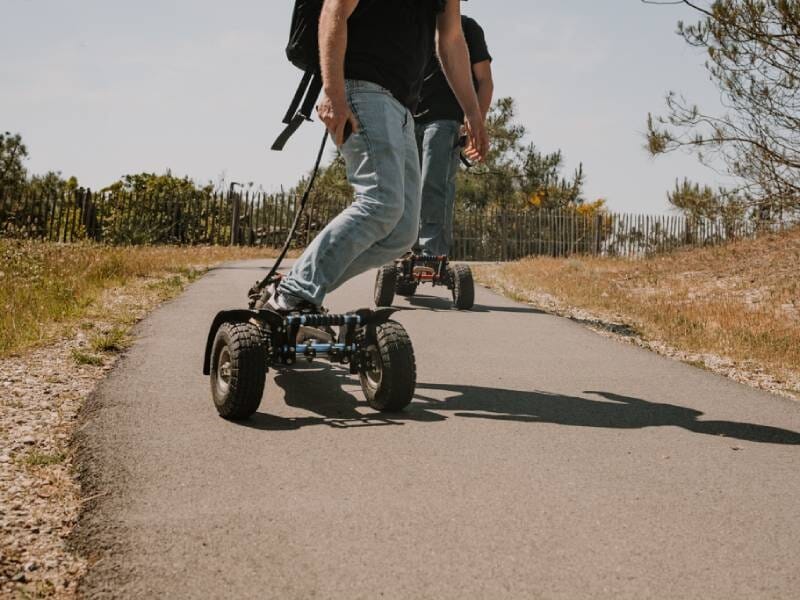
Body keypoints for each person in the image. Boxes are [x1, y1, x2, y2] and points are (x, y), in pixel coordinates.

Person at [268, 0, 488, 312]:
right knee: (381, 204)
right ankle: (293, 293)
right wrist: (332, 91)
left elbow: (450, 40)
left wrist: (473, 113)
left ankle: (297, 288)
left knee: (401, 232)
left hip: (403, 108)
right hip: (361, 87)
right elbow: (335, 9)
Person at [414, 12, 493, 257]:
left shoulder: (467, 27)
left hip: (446, 118)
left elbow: (485, 81)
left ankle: (432, 252)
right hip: (408, 116)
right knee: (407, 187)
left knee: (433, 184)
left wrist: (474, 122)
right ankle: (407, 249)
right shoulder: (415, 25)